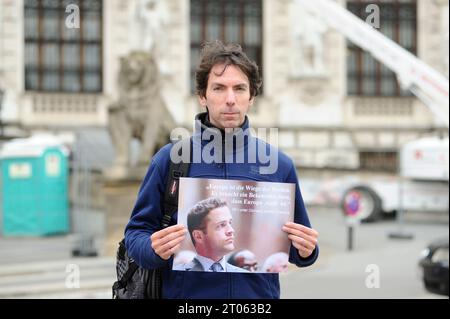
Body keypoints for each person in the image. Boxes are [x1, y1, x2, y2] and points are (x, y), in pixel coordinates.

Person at [125, 40, 319, 299]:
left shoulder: (279, 164)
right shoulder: (170, 160)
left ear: (251, 97)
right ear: (202, 96)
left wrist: (307, 250)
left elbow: (296, 249)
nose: (230, 100)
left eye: (239, 89)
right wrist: (151, 249)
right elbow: (136, 233)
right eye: (219, 88)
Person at [173, 197, 247, 272]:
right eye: (221, 225)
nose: (231, 230)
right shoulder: (178, 273)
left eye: (230, 222)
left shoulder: (244, 275)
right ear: (198, 236)